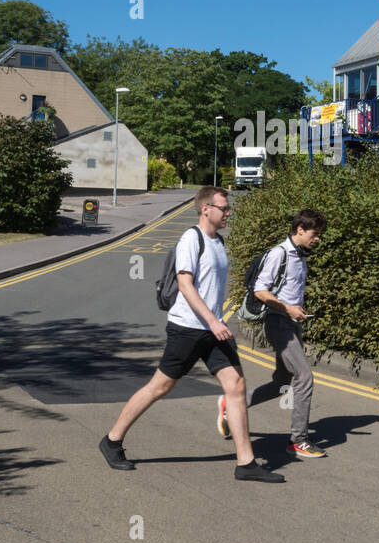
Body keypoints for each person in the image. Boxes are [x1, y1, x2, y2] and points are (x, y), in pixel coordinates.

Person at [100, 186, 284, 482]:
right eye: (224, 208)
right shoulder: (191, 239)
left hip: (212, 330)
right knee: (160, 387)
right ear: (206, 209)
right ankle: (112, 441)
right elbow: (186, 285)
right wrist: (213, 321)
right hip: (188, 329)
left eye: (228, 209)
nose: (228, 213)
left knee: (236, 386)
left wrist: (218, 320)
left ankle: (246, 462)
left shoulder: (218, 242)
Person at [222, 209, 328, 459]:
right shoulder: (278, 254)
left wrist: (295, 310)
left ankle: (233, 405)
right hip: (277, 322)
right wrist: (287, 308)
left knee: (283, 381)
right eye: (315, 234)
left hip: (291, 322)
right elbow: (260, 290)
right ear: (300, 230)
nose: (318, 239)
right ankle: (298, 440)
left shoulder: (300, 255)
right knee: (304, 376)